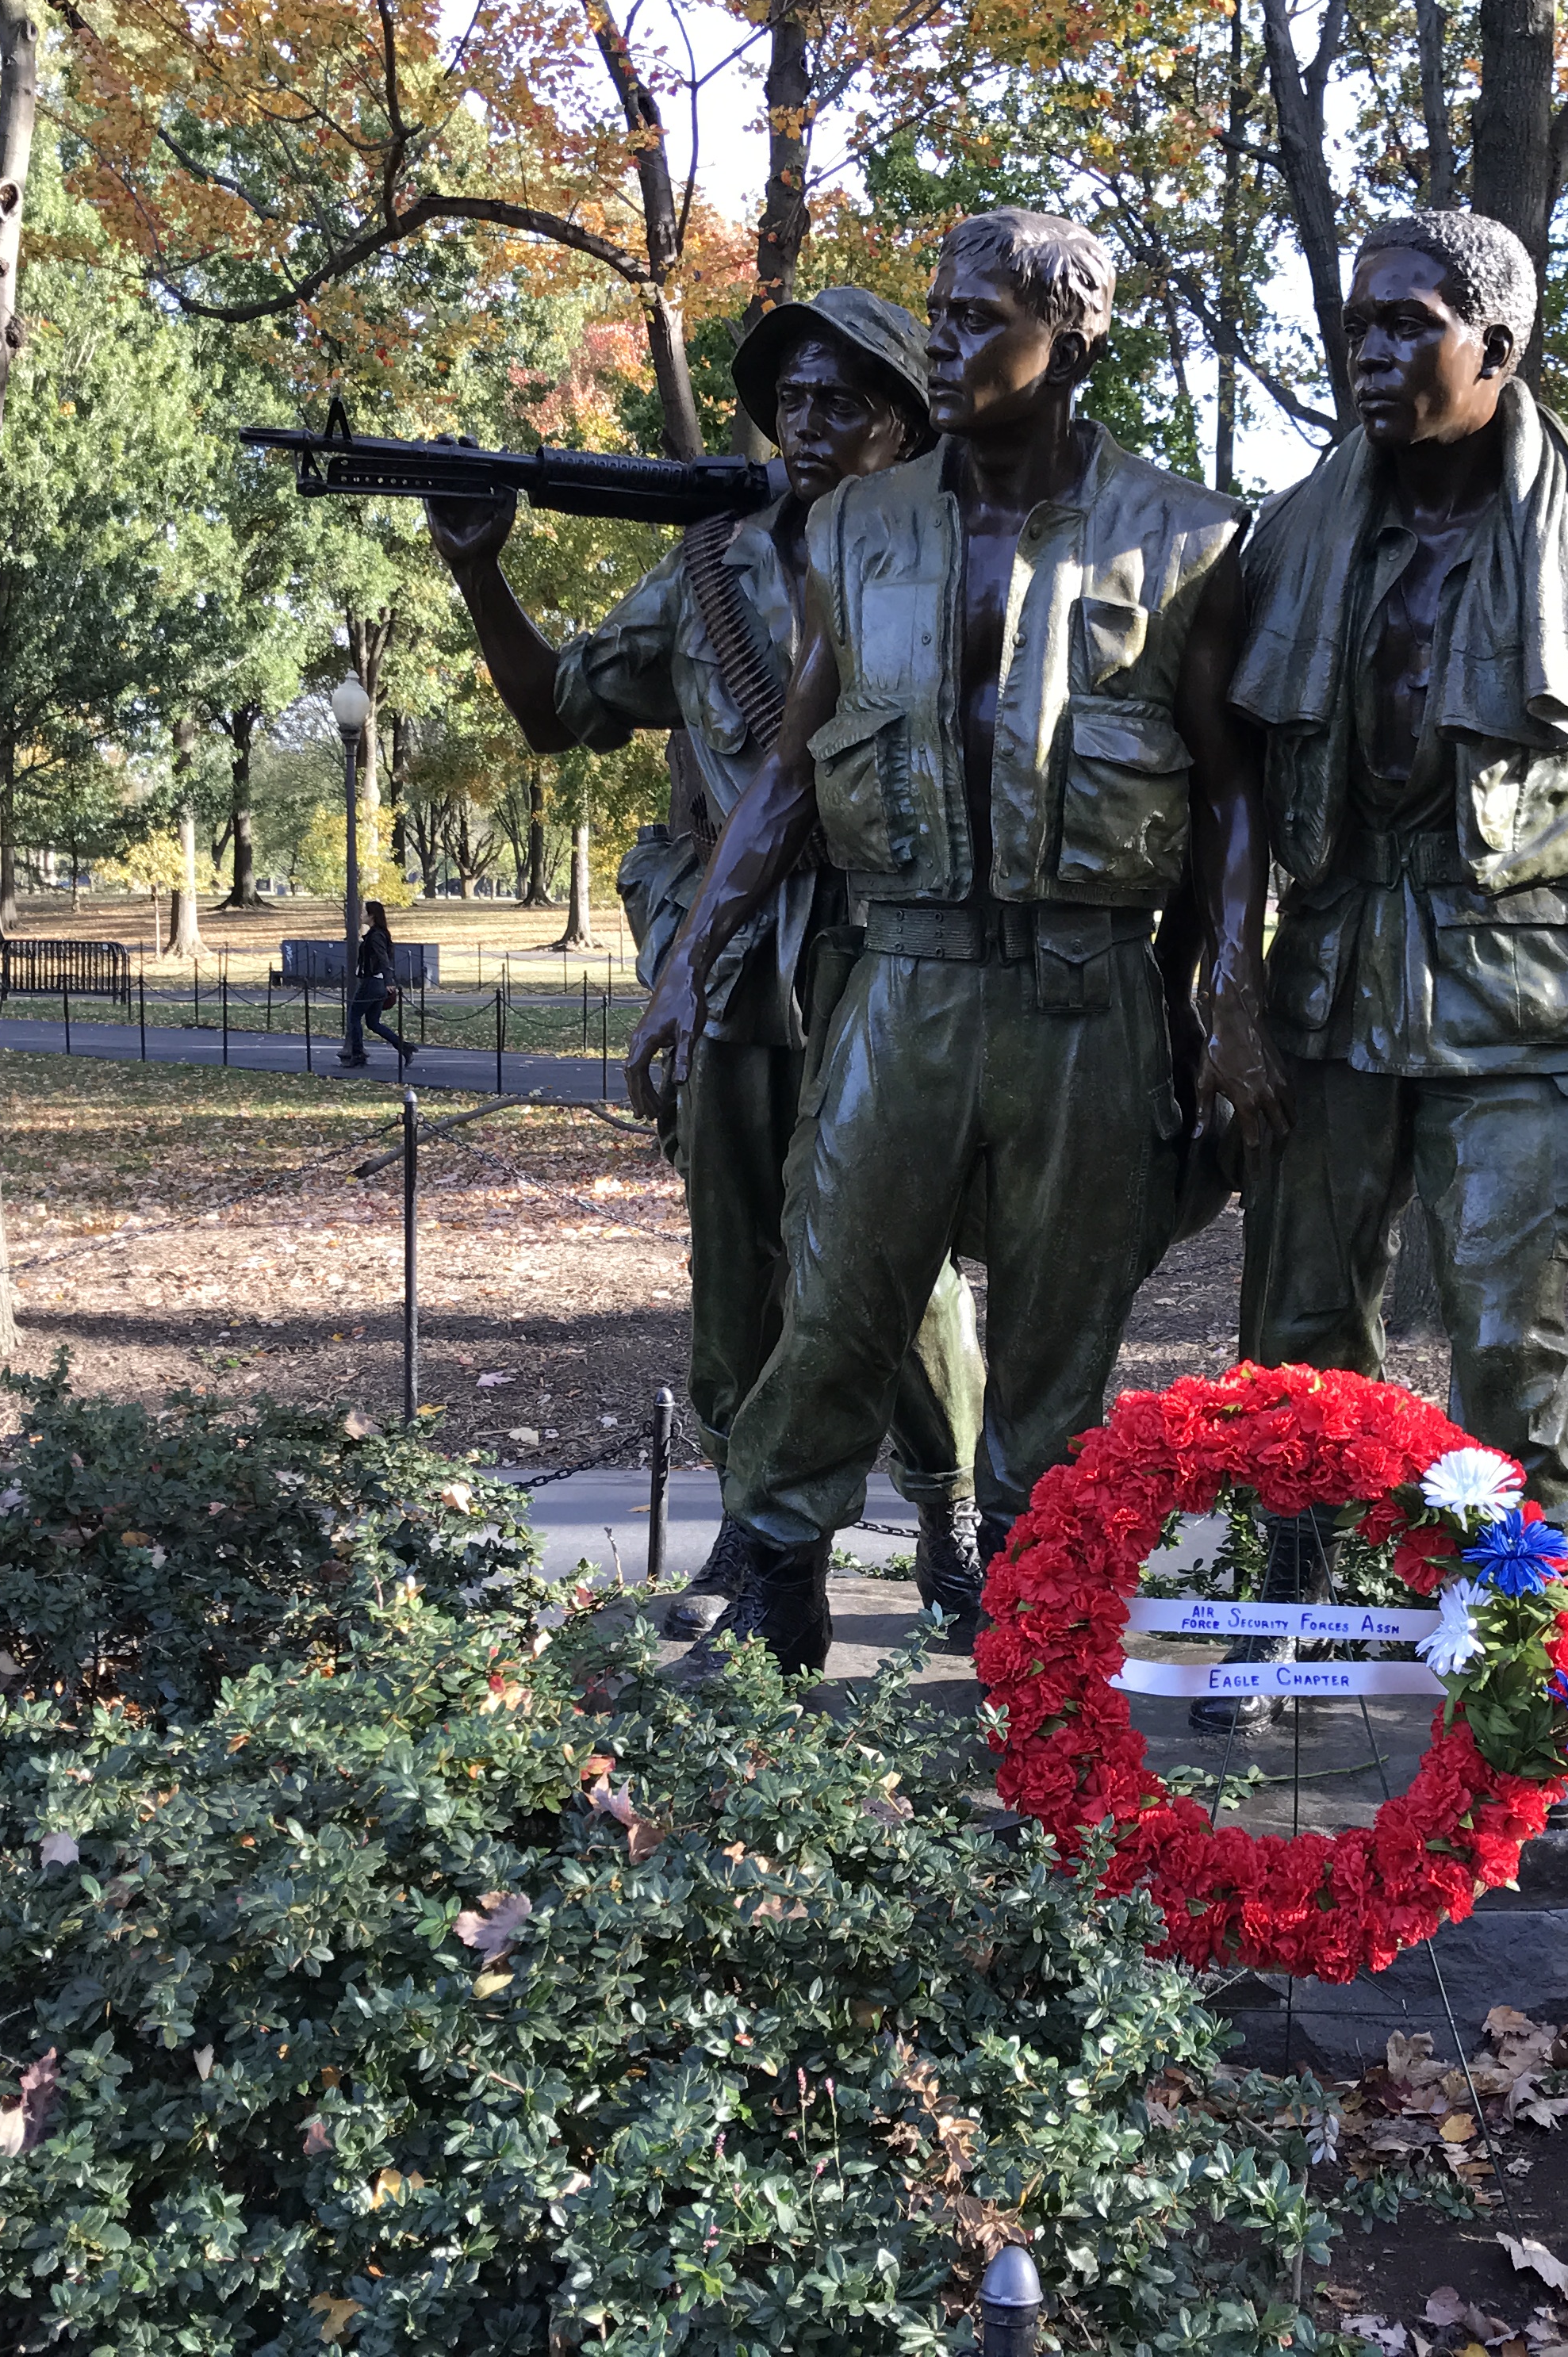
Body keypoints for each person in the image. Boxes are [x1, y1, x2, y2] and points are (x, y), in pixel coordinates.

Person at [623, 208, 1286, 1675]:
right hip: (900, 976)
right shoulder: (855, 528)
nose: (942, 338)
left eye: (979, 315)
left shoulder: (1187, 536)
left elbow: (1235, 798)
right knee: (836, 1292)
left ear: (1074, 338)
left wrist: (1227, 1002)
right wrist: (687, 969)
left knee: (1060, 1334)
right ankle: (772, 1592)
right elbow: (791, 774)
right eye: (938, 309)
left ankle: (1028, 1641)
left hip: (1088, 990)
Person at [1214, 209, 1568, 1734]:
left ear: (1499, 345)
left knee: (1503, 1338)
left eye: (1408, 322)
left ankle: (1518, 1652)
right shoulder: (1289, 530)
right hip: (1330, 969)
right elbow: (1228, 778)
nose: (1369, 350)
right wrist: (1226, 996)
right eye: (1355, 323)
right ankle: (1288, 1612)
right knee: (1296, 1330)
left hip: (1521, 984)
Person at [430, 286, 991, 1639]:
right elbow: (559, 710)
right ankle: (759, 1533)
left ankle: (948, 1500)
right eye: (789, 398)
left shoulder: (952, 560)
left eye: (845, 400)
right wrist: (478, 570)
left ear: (903, 425)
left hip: (884, 943)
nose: (809, 423)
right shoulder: (704, 569)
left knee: (890, 1246)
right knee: (734, 1246)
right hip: (732, 948)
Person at [351, 899, 414, 1069]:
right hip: (377, 983)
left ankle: (358, 1054)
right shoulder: (379, 934)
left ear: (372, 916)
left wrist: (388, 980)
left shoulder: (376, 935)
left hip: (372, 983)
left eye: (364, 912)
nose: (361, 915)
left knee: (353, 1017)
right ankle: (404, 1048)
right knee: (373, 1023)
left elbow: (383, 958)